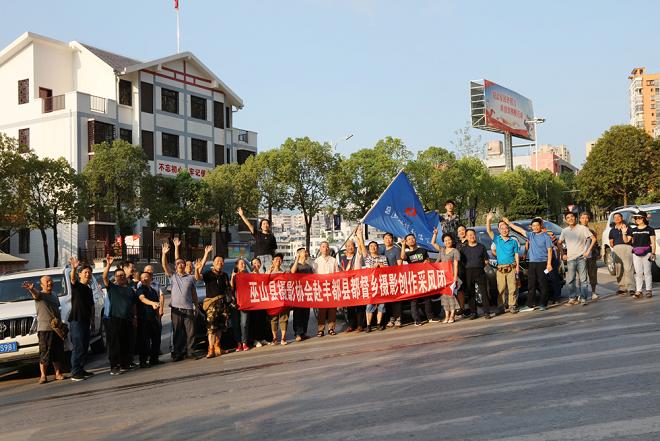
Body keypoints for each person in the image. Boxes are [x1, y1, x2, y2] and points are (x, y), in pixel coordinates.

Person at [22, 277, 65, 383]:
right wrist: (31, 289)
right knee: (44, 352)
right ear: (41, 285)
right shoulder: (40, 295)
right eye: (47, 282)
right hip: (44, 329)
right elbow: (35, 294)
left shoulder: (55, 295)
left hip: (56, 329)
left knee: (57, 352)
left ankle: (58, 373)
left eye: (50, 281)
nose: (50, 283)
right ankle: (43, 376)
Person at [162, 242, 200, 361]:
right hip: (176, 309)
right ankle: (178, 353)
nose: (180, 265)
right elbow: (165, 266)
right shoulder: (173, 276)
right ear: (176, 266)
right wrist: (164, 254)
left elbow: (193, 293)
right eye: (178, 263)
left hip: (188, 308)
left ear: (185, 266)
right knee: (177, 332)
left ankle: (190, 352)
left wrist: (196, 306)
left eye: (182, 263)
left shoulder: (190, 278)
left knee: (190, 332)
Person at [505, 217, 553, 311]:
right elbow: (519, 230)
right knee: (531, 284)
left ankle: (543, 303)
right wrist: (509, 223)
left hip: (543, 263)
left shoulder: (546, 236)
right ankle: (530, 304)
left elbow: (550, 250)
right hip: (532, 263)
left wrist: (549, 264)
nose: (535, 227)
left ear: (540, 226)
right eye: (533, 226)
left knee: (543, 284)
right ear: (531, 227)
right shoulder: (531, 235)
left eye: (537, 225)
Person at [102, 255, 137, 375]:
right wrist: (108, 265)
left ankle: (124, 364)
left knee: (126, 342)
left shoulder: (130, 290)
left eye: (123, 275)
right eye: (118, 276)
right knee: (114, 344)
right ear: (115, 278)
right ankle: (114, 366)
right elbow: (104, 277)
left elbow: (133, 305)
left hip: (127, 319)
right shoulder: (112, 287)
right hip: (115, 320)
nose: (121, 277)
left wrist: (134, 317)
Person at [196, 245, 231, 358]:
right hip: (212, 304)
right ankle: (210, 349)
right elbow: (197, 277)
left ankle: (217, 346)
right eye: (217, 261)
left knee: (220, 327)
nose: (219, 263)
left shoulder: (225, 275)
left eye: (221, 261)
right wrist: (205, 256)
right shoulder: (208, 274)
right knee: (211, 328)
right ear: (213, 263)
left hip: (223, 304)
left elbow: (228, 290)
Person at [557, 212, 596, 306]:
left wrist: (587, 251)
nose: (570, 219)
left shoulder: (582, 228)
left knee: (583, 280)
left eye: (572, 217)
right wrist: (563, 254)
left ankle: (583, 299)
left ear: (575, 218)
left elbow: (593, 239)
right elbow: (559, 243)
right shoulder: (564, 231)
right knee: (571, 280)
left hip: (581, 258)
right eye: (568, 217)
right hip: (570, 258)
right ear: (566, 220)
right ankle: (572, 298)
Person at [485, 212, 520, 314]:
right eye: (502, 228)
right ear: (499, 230)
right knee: (501, 288)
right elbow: (489, 230)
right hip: (501, 268)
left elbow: (516, 254)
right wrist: (488, 220)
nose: (504, 230)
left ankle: (512, 305)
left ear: (508, 229)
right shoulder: (497, 239)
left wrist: (517, 266)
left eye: (506, 228)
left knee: (512, 287)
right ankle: (500, 306)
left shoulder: (513, 241)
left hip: (512, 267)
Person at [400, 233, 438, 325]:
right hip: (413, 278)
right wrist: (403, 245)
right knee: (414, 299)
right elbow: (402, 257)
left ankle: (430, 317)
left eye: (412, 238)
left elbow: (428, 260)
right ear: (407, 242)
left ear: (415, 239)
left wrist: (427, 261)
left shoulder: (423, 250)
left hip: (423, 276)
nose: (411, 240)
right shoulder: (408, 253)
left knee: (427, 298)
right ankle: (417, 320)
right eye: (409, 239)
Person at [68, 257, 95, 381]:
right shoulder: (77, 286)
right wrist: (73, 268)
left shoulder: (89, 289)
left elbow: (91, 306)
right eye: (85, 272)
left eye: (89, 272)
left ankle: (81, 369)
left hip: (85, 321)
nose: (88, 274)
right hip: (76, 320)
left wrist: (92, 321)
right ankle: (75, 372)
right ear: (80, 274)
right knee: (78, 346)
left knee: (84, 347)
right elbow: (72, 279)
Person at [356, 225, 388, 332]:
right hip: (370, 285)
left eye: (375, 246)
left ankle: (379, 324)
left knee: (381, 306)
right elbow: (362, 247)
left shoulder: (383, 257)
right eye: (371, 246)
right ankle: (369, 325)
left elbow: (387, 269)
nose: (373, 247)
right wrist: (359, 235)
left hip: (381, 284)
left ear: (378, 248)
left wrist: (380, 265)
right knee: (369, 305)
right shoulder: (368, 257)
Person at [459, 229, 492, 319]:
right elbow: (461, 262)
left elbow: (486, 260)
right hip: (468, 272)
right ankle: (474, 313)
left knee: (484, 292)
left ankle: (487, 312)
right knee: (470, 293)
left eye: (473, 234)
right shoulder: (463, 250)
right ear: (466, 237)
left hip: (480, 271)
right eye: (469, 235)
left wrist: (482, 266)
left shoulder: (481, 247)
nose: (472, 236)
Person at [624, 211, 656, 298]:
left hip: (647, 252)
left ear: (644, 218)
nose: (637, 219)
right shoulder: (633, 230)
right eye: (636, 218)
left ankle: (649, 290)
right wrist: (624, 232)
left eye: (639, 218)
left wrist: (653, 253)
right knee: (638, 273)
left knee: (647, 272)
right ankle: (639, 291)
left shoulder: (650, 229)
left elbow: (653, 242)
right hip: (636, 253)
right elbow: (626, 241)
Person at [431, 229, 460, 324]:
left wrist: (455, 277)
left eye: (449, 240)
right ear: (443, 242)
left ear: (452, 240)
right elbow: (433, 243)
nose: (448, 242)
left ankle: (452, 315)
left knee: (451, 296)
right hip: (443, 277)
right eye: (446, 240)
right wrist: (435, 234)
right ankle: (446, 315)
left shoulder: (455, 251)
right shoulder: (442, 250)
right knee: (444, 297)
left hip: (451, 276)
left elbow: (455, 265)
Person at [135, 271, 162, 367]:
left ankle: (154, 359)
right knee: (144, 341)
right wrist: (152, 303)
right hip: (143, 320)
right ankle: (143, 361)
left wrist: (158, 318)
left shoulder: (153, 291)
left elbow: (157, 305)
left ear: (151, 278)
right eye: (142, 278)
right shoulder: (140, 290)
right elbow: (142, 299)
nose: (144, 279)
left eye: (146, 277)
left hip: (153, 319)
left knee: (156, 339)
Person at [314, 241, 340, 336]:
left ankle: (331, 328)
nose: (325, 249)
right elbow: (314, 275)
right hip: (321, 288)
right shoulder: (316, 261)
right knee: (322, 310)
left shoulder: (333, 260)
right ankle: (320, 330)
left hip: (332, 287)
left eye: (327, 247)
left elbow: (337, 274)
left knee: (332, 309)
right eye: (323, 247)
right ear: (320, 249)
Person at [339, 238, 364, 332]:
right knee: (350, 307)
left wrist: (358, 237)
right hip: (348, 285)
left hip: (358, 283)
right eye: (348, 246)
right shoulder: (343, 259)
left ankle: (360, 325)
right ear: (345, 248)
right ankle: (351, 325)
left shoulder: (357, 256)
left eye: (352, 246)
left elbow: (361, 248)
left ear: (354, 247)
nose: (350, 248)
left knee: (360, 306)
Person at [266, 253, 289, 345]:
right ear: (272, 261)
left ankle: (283, 337)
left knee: (284, 318)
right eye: (276, 259)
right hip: (272, 299)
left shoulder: (284, 273)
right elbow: (263, 282)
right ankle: (275, 338)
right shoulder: (268, 272)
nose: (277, 261)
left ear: (282, 262)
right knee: (273, 318)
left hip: (283, 298)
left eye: (279, 260)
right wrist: (269, 272)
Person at [609, 213, 634, 295]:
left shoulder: (628, 228)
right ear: (613, 219)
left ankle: (631, 288)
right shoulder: (612, 230)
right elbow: (611, 243)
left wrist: (624, 233)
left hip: (627, 248)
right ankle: (622, 287)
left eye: (618, 217)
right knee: (619, 269)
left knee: (628, 268)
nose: (617, 218)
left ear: (622, 218)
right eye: (615, 217)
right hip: (616, 249)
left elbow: (630, 240)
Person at [290, 248, 313, 341]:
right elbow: (292, 271)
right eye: (304, 252)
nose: (306, 253)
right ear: (299, 254)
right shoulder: (295, 265)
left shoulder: (308, 266)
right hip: (297, 292)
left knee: (306, 313)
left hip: (306, 292)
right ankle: (297, 333)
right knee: (298, 313)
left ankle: (303, 332)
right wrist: (297, 259)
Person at [383, 232, 404, 328]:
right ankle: (391, 319)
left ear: (392, 239)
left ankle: (398, 318)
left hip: (395, 278)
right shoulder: (382, 252)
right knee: (389, 300)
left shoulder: (396, 250)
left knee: (397, 300)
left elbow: (400, 265)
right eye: (386, 238)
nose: (388, 240)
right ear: (384, 240)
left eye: (390, 238)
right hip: (385, 280)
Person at [231, 258, 251, 351]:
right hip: (235, 303)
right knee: (235, 324)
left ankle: (244, 343)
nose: (243, 265)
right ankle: (238, 343)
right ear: (237, 266)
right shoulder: (234, 276)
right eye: (241, 263)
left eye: (244, 263)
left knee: (244, 324)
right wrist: (232, 278)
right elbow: (231, 290)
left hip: (245, 303)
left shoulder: (248, 275)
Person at [579, 212, 600, 300]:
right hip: (580, 257)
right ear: (579, 219)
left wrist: (597, 253)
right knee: (581, 277)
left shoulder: (592, 231)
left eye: (586, 218)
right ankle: (582, 294)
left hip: (591, 256)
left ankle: (593, 292)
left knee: (592, 275)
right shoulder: (577, 230)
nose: (584, 219)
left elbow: (596, 243)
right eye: (583, 218)